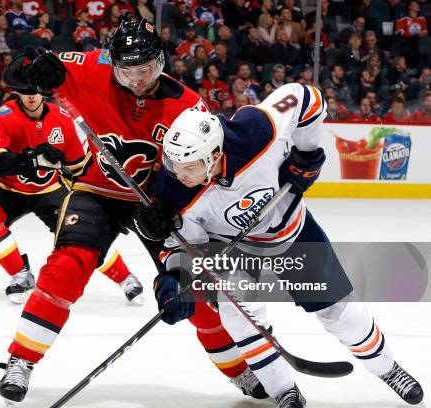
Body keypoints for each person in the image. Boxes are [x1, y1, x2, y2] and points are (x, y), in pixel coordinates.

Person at [0, 19, 266, 404]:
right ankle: (20, 360)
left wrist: (170, 208)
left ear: (161, 62)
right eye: (128, 71)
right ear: (113, 63)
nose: (138, 80)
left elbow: (198, 173)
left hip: (155, 201)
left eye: (146, 70)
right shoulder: (88, 69)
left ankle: (239, 369)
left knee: (194, 287)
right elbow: (19, 72)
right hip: (96, 191)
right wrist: (29, 68)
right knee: (66, 267)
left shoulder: (189, 106)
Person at [139, 83, 424, 407]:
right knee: (239, 315)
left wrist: (307, 153)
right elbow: (189, 247)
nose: (179, 173)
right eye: (174, 164)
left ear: (215, 154)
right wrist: (178, 281)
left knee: (341, 311)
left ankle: (387, 368)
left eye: (188, 166)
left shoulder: (255, 133)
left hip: (289, 232)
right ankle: (284, 392)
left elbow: (308, 97)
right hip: (235, 249)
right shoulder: (175, 187)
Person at [0, 48, 144, 305]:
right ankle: (20, 274)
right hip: (7, 188)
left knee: (84, 230)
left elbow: (77, 168)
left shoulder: (62, 119)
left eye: (35, 91)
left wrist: (103, 196)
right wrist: (31, 160)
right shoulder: (2, 117)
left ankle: (125, 278)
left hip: (50, 189)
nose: (31, 98)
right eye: (25, 92)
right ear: (16, 92)